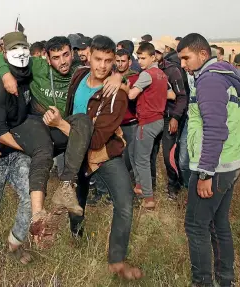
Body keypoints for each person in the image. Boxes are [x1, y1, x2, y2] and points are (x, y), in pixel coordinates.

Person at [0, 35, 123, 239]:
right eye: (55, 57)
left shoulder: (79, 71)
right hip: (39, 124)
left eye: (65, 55)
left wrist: (117, 75)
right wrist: (5, 76)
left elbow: (104, 64)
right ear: (46, 57)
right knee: (42, 151)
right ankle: (38, 216)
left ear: (73, 53)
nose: (62, 62)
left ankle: (66, 193)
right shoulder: (37, 66)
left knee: (82, 121)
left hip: (65, 128)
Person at [49, 35, 142, 280]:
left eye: (108, 61)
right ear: (88, 56)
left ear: (114, 61)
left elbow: (96, 140)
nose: (102, 66)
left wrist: (60, 124)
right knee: (76, 198)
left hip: (104, 154)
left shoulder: (117, 95)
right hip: (74, 150)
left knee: (124, 202)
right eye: (98, 59)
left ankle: (117, 261)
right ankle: (75, 237)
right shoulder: (78, 75)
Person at [178, 33, 240, 287]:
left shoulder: (209, 80)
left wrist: (205, 173)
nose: (183, 64)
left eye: (186, 58)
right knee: (218, 224)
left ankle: (203, 282)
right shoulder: (222, 75)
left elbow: (215, 129)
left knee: (196, 226)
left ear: (203, 54)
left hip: (215, 166)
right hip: (229, 162)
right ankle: (225, 280)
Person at [0, 32, 33, 263]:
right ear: (4, 52)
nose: (20, 51)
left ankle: (15, 242)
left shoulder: (29, 77)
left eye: (24, 46)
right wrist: (28, 147)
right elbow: (0, 132)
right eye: (15, 47)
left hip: (18, 153)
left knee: (31, 197)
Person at [128, 42, 168, 209]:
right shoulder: (162, 74)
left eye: (143, 58)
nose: (140, 61)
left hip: (148, 121)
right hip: (158, 120)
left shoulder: (146, 75)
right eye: (139, 58)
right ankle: (139, 185)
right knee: (136, 153)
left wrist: (124, 87)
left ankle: (148, 197)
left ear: (153, 57)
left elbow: (131, 95)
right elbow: (170, 94)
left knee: (142, 160)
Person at [151, 41, 188, 200]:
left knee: (168, 155)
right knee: (150, 153)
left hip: (168, 117)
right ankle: (149, 185)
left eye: (158, 53)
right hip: (151, 117)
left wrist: (175, 118)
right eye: (153, 53)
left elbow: (181, 97)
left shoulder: (172, 70)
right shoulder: (146, 71)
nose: (155, 56)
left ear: (162, 54)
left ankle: (174, 184)